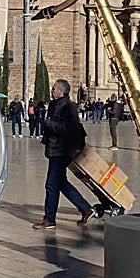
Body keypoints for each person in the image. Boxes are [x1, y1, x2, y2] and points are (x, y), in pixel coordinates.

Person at [32, 79, 94, 229]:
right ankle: (86, 209)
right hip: (55, 149)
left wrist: (48, 124)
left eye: (53, 89)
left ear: (61, 91)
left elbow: (68, 129)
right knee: (61, 183)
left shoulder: (69, 106)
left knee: (51, 184)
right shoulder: (54, 105)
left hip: (63, 150)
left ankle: (49, 219)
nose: (51, 91)